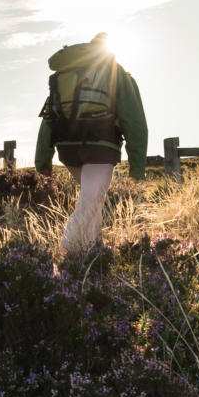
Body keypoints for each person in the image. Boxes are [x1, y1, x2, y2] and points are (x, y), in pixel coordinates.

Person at [34, 32, 146, 251]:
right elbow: (134, 120)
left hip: (67, 149)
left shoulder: (65, 75)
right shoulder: (116, 73)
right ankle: (66, 252)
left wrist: (43, 162)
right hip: (100, 147)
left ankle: (92, 254)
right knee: (90, 203)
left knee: (93, 201)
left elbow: (49, 119)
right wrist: (138, 167)